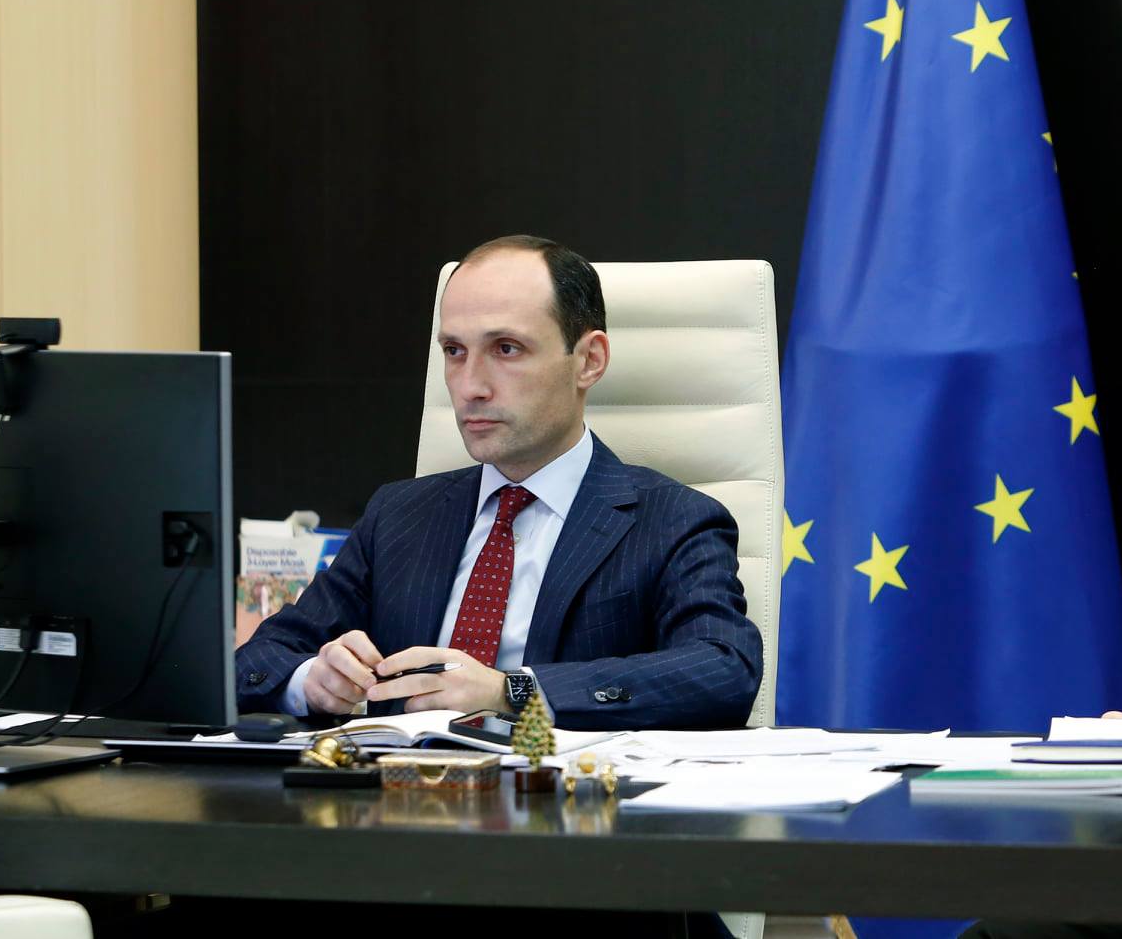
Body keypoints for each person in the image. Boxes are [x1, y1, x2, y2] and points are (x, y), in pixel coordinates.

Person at [236, 235, 762, 730]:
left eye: (506, 349)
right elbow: (255, 661)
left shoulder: (672, 519)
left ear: (589, 361)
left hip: (562, 790)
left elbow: (723, 670)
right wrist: (312, 681)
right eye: (454, 351)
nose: (470, 386)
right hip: (402, 788)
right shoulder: (398, 514)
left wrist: (513, 692)